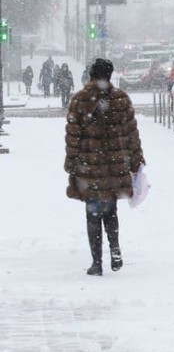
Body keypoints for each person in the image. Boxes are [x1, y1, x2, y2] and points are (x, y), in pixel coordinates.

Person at [65, 58, 146, 276]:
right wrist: (136, 160)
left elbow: (72, 137)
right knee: (110, 210)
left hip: (89, 168)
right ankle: (115, 249)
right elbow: (132, 134)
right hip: (114, 167)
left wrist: (71, 163)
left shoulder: (80, 100)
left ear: (91, 75)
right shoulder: (121, 99)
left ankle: (97, 262)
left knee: (92, 213)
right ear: (110, 76)